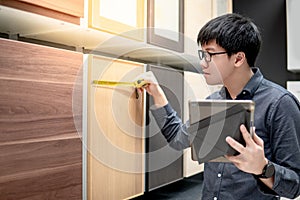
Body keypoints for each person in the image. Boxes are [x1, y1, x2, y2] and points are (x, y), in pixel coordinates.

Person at [139, 13, 300, 199]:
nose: (202, 62)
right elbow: (178, 139)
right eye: (203, 54)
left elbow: (295, 185)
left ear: (238, 59)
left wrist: (262, 168)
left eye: (210, 54)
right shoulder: (211, 102)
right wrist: (157, 93)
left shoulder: (280, 104)